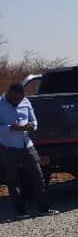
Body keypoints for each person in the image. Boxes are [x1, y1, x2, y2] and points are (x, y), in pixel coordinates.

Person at [0, 82, 51, 218]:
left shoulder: (26, 102)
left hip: (27, 145)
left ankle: (44, 209)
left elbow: (34, 121)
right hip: (8, 147)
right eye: (14, 98)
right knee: (13, 181)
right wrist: (10, 128)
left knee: (38, 176)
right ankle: (20, 212)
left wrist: (32, 126)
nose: (17, 101)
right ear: (8, 93)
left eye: (20, 98)